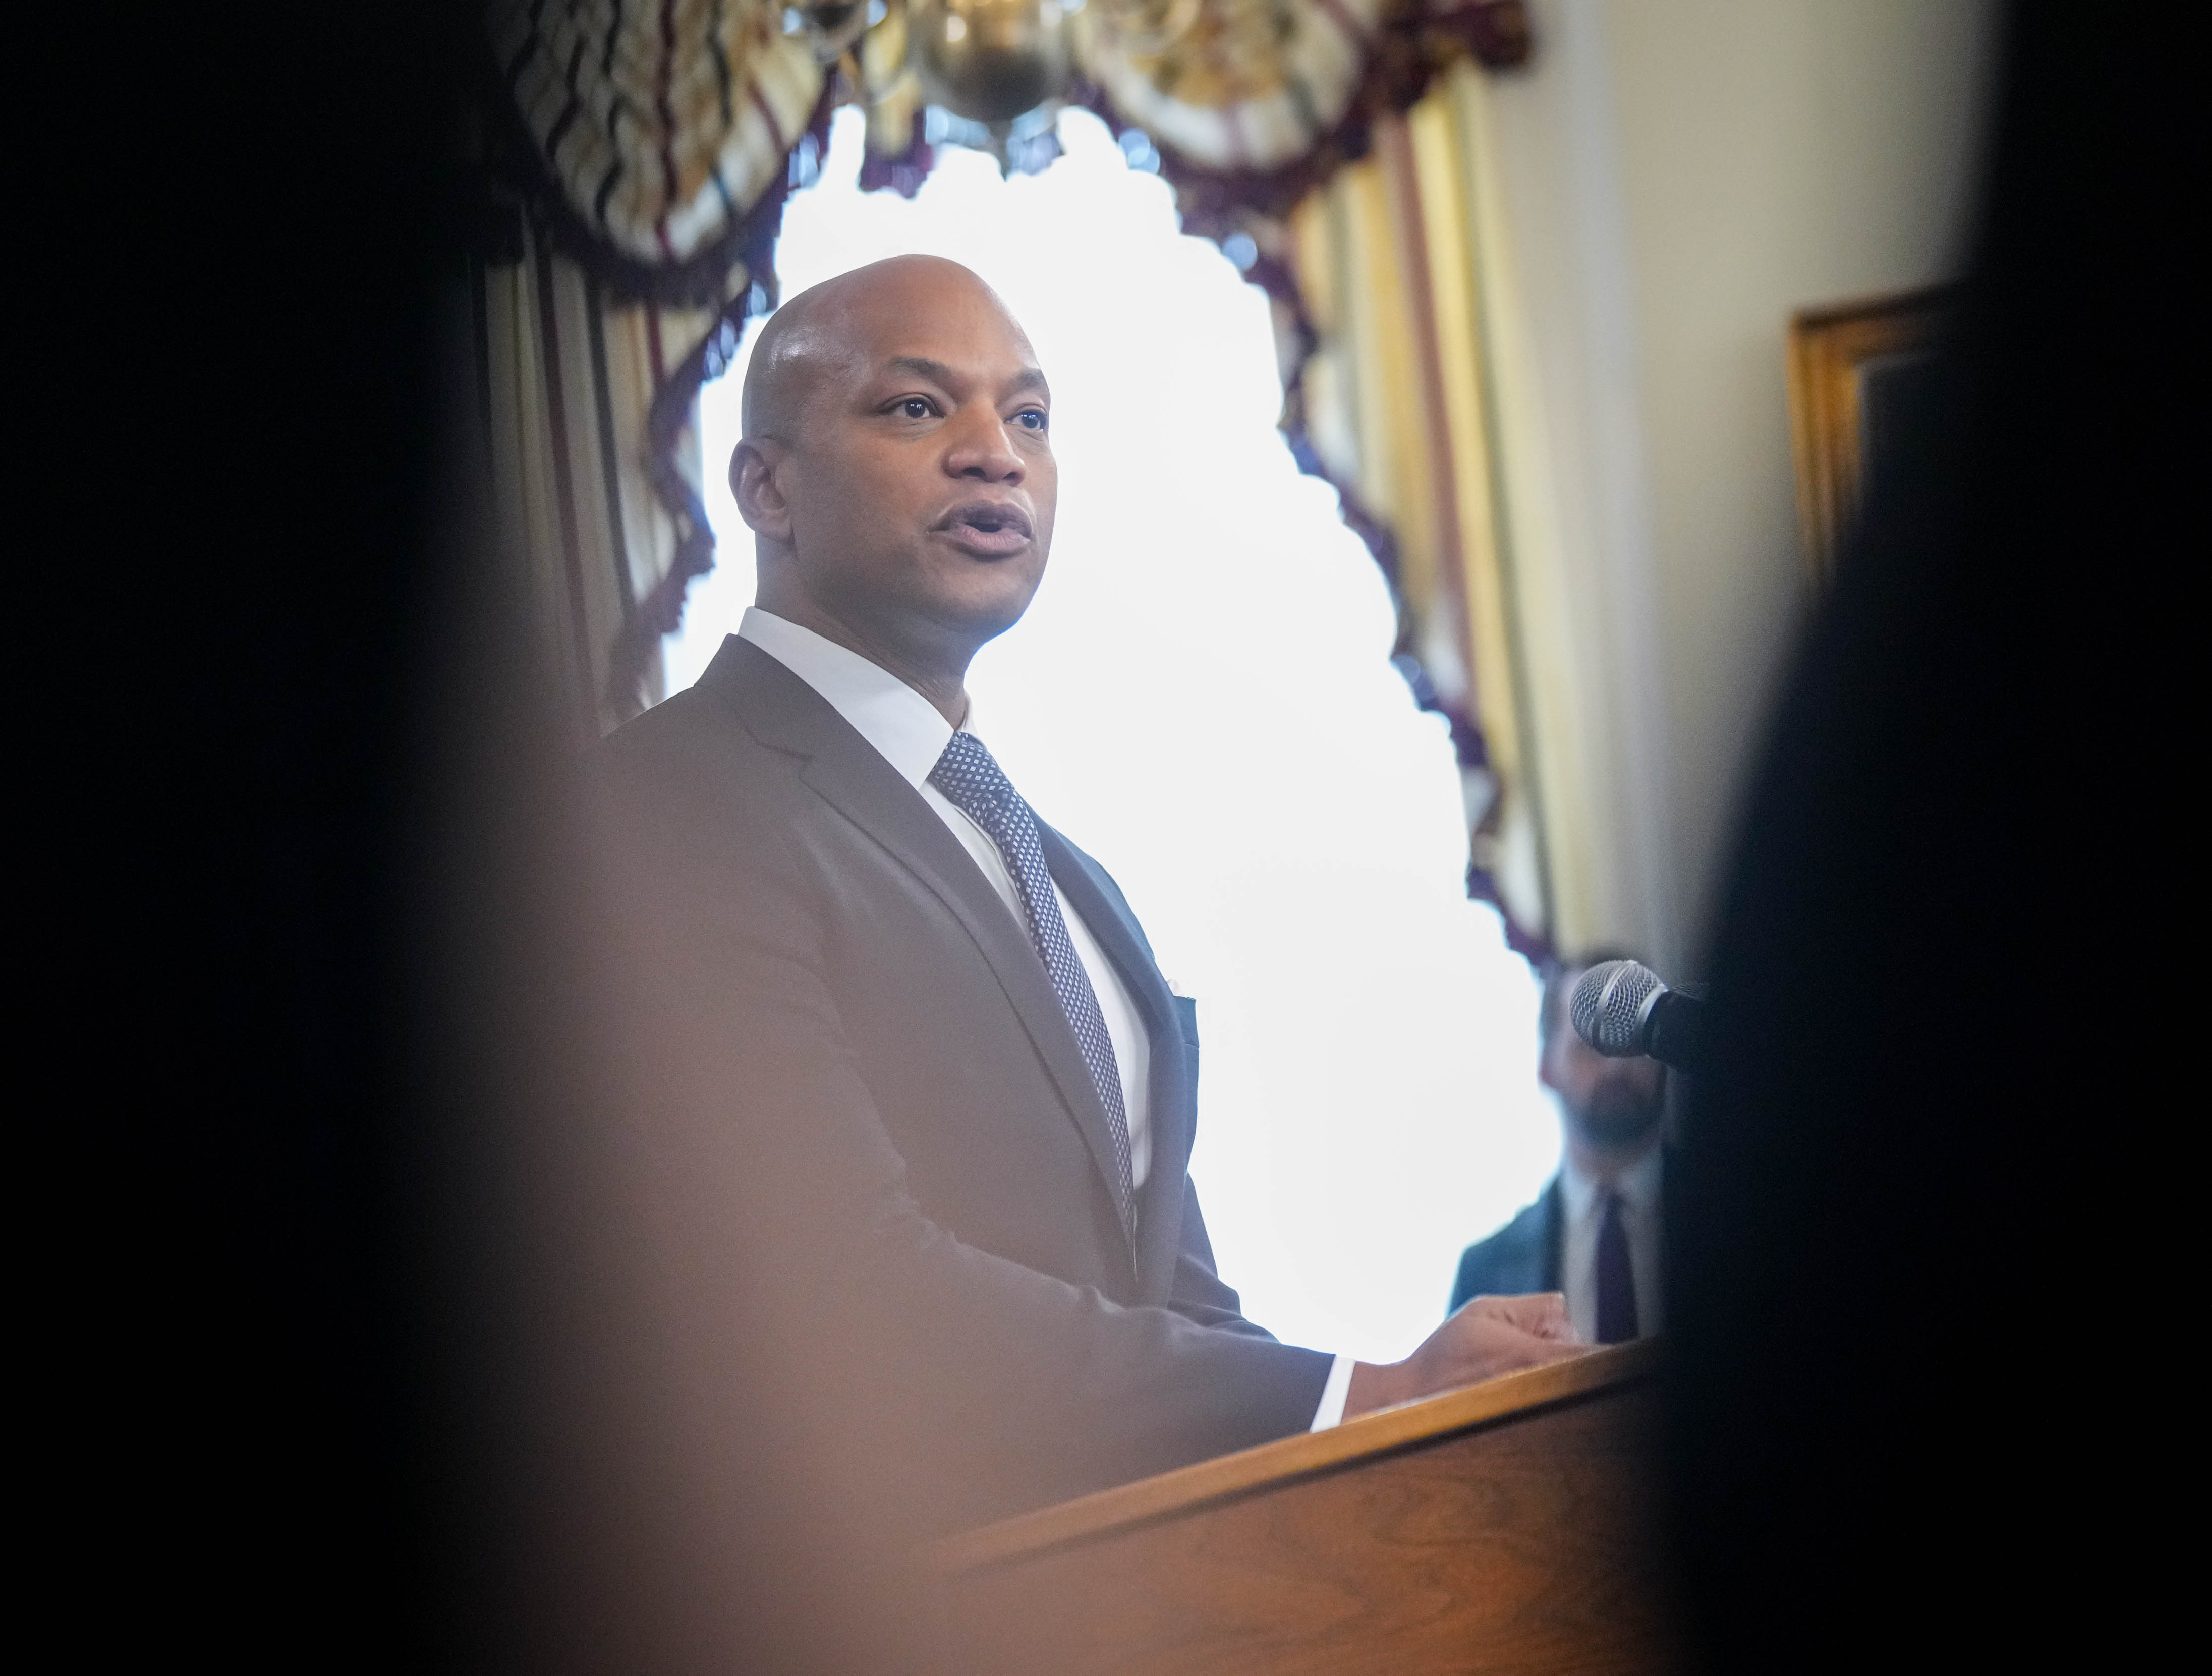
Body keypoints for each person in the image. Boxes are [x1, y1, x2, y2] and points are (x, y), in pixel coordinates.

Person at [587, 255, 1582, 1550]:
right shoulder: (669, 800)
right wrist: (1356, 1392)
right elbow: (843, 1287)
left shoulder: (1065, 874)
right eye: (916, 408)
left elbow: (1174, 1312)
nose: (994, 454)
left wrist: (1417, 1410)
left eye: (1032, 417)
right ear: (764, 486)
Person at [1450, 953, 1666, 1342]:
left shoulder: (1739, 1210)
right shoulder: (1485, 1274)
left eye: (1634, 1040)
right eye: (1591, 1044)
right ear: (1546, 1067)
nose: (1616, 1066)